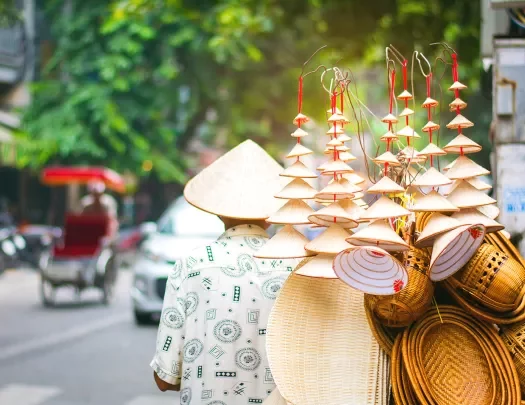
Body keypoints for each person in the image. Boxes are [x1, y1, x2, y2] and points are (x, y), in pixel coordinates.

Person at [150, 140, 300, 404]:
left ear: (219, 212)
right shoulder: (296, 267)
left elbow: (165, 377)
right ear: (271, 214)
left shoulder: (191, 266)